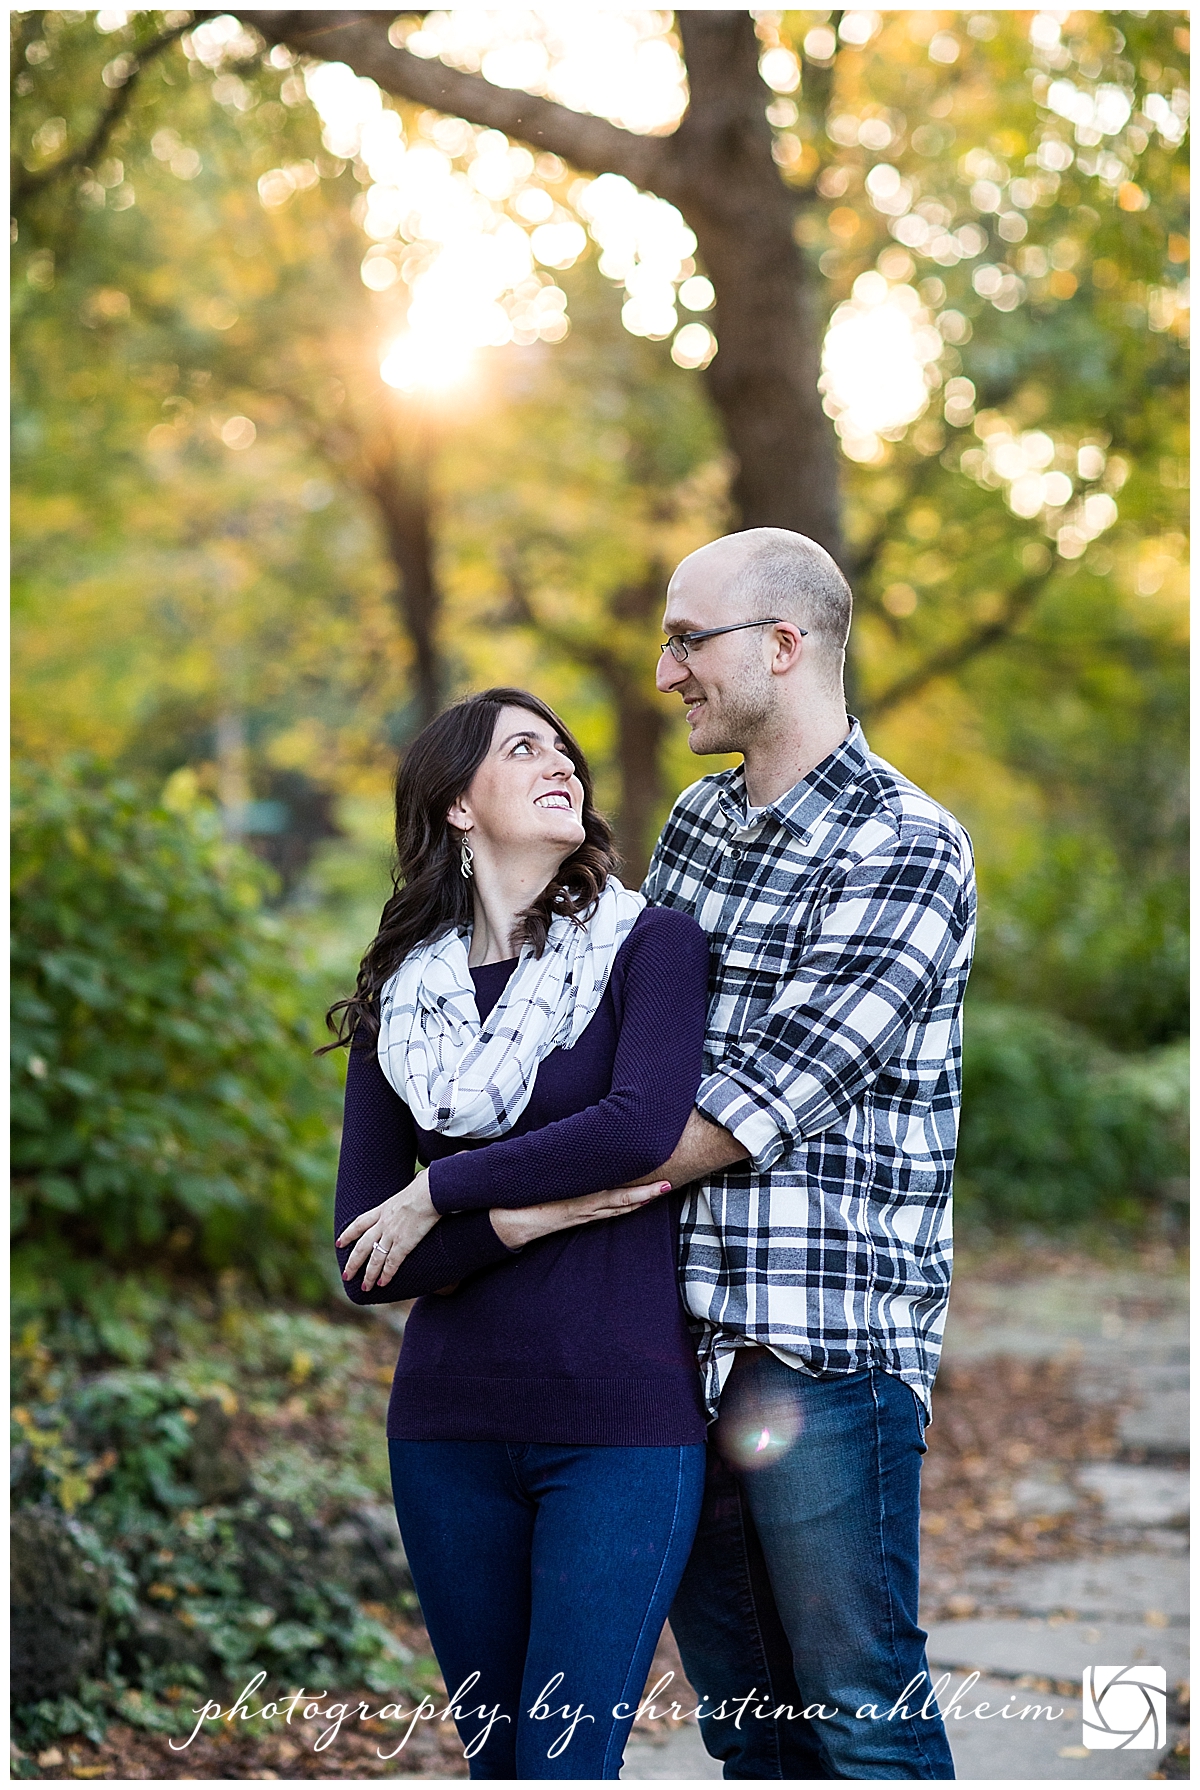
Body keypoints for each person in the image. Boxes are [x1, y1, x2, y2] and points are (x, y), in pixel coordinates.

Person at [604, 527, 975, 1778]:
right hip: (679, 1349)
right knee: (752, 1734)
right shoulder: (700, 826)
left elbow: (755, 1101)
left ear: (783, 643)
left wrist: (514, 1206)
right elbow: (628, 1059)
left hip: (821, 1352)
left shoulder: (907, 844)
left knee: (862, 1713)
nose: (668, 673)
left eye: (685, 638)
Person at [328, 687, 711, 1781]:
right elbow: (364, 1258)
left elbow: (638, 1125)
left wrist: (439, 1194)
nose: (563, 766)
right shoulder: (399, 999)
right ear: (458, 804)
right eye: (524, 748)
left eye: (565, 751)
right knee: (497, 1765)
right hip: (448, 1429)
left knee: (563, 1766)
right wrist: (525, 1206)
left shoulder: (652, 947)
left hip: (621, 1431)